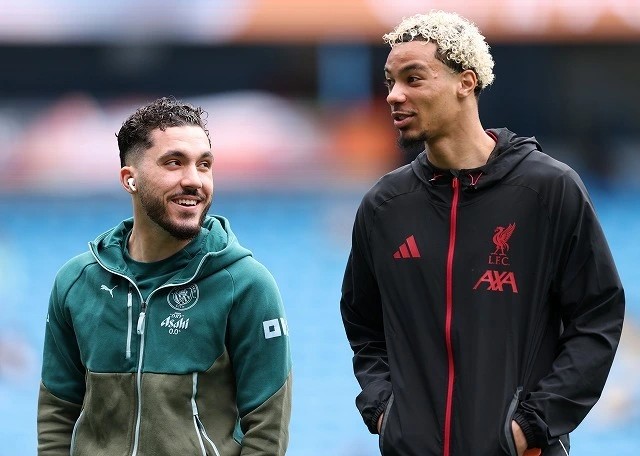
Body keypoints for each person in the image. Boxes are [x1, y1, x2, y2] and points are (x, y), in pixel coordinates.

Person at [340, 11, 624, 456]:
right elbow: (364, 326)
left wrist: (530, 427)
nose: (394, 95)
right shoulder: (384, 205)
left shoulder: (548, 190)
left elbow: (597, 318)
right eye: (390, 81)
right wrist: (386, 412)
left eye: (414, 79)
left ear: (465, 82)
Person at [37, 97, 292, 455]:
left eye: (204, 165)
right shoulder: (76, 282)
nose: (194, 180)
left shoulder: (247, 285)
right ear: (130, 179)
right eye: (174, 163)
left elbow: (267, 432)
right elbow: (57, 413)